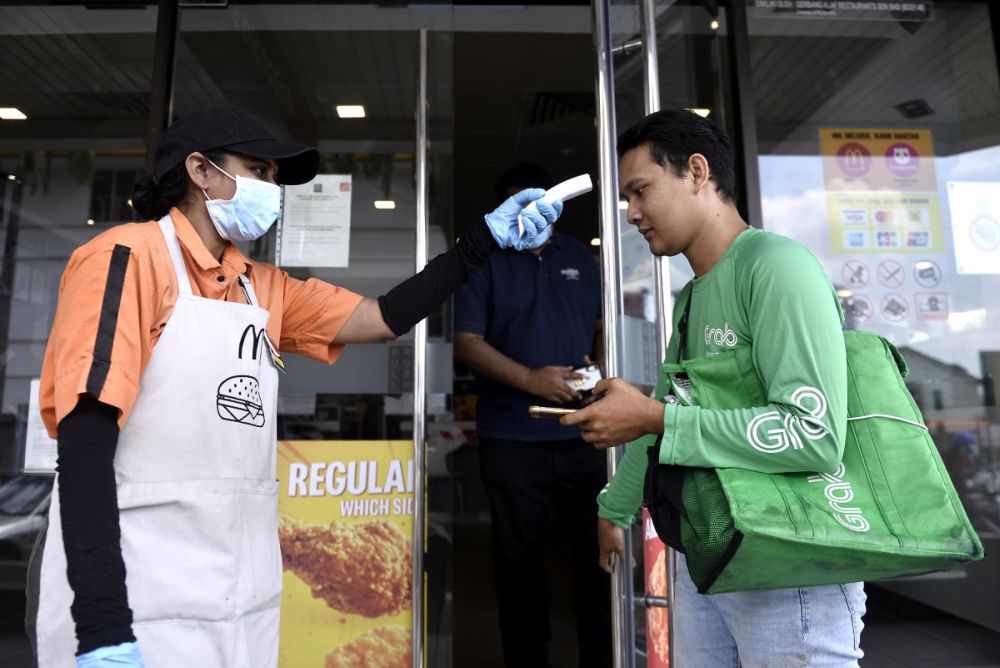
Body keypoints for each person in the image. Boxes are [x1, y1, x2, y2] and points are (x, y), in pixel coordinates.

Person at [29, 106, 563, 668]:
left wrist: (479, 242)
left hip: (241, 599)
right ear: (200, 171)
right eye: (259, 170)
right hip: (138, 596)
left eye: (275, 177)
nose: (272, 188)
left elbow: (381, 318)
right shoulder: (126, 256)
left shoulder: (261, 287)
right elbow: (84, 440)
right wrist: (103, 628)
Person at [562, 110, 867, 666]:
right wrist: (615, 508)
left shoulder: (776, 266)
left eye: (640, 191)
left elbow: (813, 435)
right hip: (709, 548)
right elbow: (667, 410)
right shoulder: (694, 295)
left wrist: (655, 419)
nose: (630, 214)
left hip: (790, 561)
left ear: (697, 172)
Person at [453, 163, 611, 667]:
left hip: (585, 433)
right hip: (513, 439)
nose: (532, 212)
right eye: (519, 203)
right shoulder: (485, 261)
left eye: (539, 201)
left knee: (597, 560)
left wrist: (599, 366)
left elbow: (605, 326)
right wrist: (530, 379)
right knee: (519, 565)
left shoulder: (581, 258)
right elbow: (466, 342)